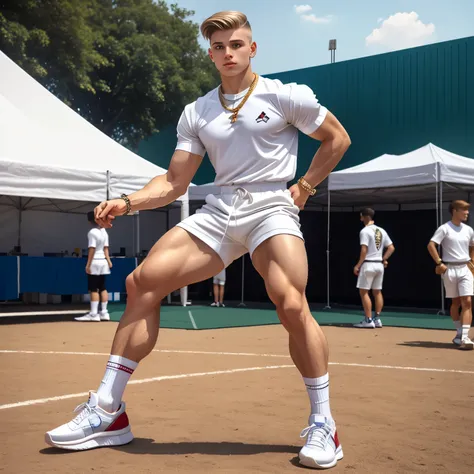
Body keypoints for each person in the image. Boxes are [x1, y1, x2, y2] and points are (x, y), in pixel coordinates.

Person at [45, 11, 351, 470]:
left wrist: (305, 186)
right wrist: (127, 202)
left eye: (237, 45)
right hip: (220, 208)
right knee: (141, 282)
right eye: (219, 47)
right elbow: (173, 182)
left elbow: (337, 139)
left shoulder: (286, 95)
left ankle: (324, 423)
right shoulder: (198, 111)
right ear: (210, 53)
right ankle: (108, 412)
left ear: (252, 49)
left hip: (270, 206)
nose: (228, 53)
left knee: (290, 301)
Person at [427, 200, 474, 350]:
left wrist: (472, 262)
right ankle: (459, 332)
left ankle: (465, 337)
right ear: (454, 210)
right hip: (449, 269)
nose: (467, 213)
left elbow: (472, 246)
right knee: (456, 302)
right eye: (464, 210)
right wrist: (439, 262)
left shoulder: (469, 230)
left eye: (467, 210)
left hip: (465, 268)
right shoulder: (444, 228)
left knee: (467, 301)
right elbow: (431, 245)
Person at [353, 208, 395, 328]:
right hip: (379, 265)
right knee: (377, 292)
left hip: (368, 264)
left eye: (361, 216)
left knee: (364, 292)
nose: (360, 219)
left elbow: (364, 249)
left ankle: (368, 319)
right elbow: (391, 247)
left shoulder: (365, 231)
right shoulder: (381, 230)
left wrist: (358, 265)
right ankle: (377, 318)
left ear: (365, 216)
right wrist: (383, 259)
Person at [75, 211, 113, 322]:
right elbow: (106, 248)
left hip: (95, 261)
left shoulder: (92, 232)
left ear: (89, 221)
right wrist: (109, 261)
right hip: (103, 261)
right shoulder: (104, 232)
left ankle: (93, 314)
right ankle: (104, 313)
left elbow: (92, 248)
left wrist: (88, 264)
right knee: (103, 287)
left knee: (93, 288)